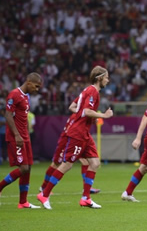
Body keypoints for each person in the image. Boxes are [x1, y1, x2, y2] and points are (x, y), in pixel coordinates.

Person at [37, 66, 113, 210]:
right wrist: (103, 115)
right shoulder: (92, 92)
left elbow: (73, 107)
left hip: (85, 133)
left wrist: (85, 116)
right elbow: (86, 110)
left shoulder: (87, 90)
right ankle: (45, 194)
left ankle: (85, 198)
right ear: (99, 78)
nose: (108, 80)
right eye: (106, 77)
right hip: (77, 133)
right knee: (67, 164)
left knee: (95, 163)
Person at [0, 73, 43, 208]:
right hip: (15, 136)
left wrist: (25, 136)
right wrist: (17, 135)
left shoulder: (26, 97)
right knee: (23, 168)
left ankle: (23, 202)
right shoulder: (14, 94)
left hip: (25, 136)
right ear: (28, 82)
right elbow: (7, 114)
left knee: (28, 168)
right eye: (36, 86)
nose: (37, 89)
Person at [39, 100, 101, 195]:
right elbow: (92, 120)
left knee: (86, 161)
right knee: (56, 164)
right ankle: (44, 187)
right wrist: (100, 116)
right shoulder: (79, 114)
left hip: (79, 139)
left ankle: (87, 188)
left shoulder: (81, 112)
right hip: (67, 140)